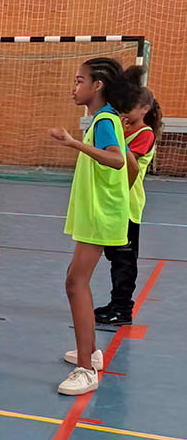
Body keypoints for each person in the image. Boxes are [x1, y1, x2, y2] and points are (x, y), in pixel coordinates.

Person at [46, 58, 140, 396]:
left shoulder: (102, 120)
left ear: (97, 85)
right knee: (75, 280)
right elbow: (130, 163)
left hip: (101, 218)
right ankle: (92, 352)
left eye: (79, 80)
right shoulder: (108, 119)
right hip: (103, 214)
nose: (75, 87)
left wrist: (72, 143)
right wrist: (121, 199)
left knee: (75, 283)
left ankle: (86, 368)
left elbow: (116, 159)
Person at [97, 85, 161, 327]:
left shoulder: (144, 134)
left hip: (129, 204)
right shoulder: (123, 131)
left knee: (125, 260)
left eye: (130, 107)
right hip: (114, 203)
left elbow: (127, 163)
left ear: (144, 109)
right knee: (115, 257)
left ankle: (123, 308)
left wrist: (119, 137)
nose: (123, 111)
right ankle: (115, 303)